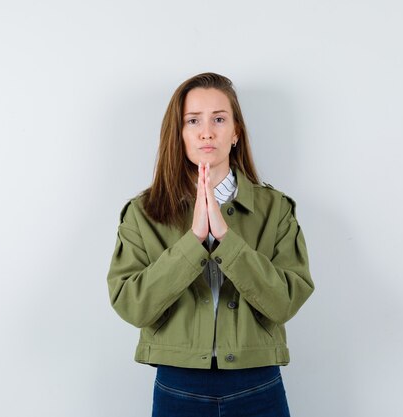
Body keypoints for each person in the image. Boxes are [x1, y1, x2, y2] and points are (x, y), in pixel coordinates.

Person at [107, 72, 314, 416]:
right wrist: (193, 241)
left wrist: (227, 239)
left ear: (235, 133)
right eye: (193, 121)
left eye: (219, 119)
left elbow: (285, 303)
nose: (207, 131)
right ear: (179, 134)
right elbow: (132, 306)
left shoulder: (275, 209)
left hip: (258, 384)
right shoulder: (142, 213)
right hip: (178, 386)